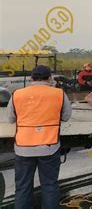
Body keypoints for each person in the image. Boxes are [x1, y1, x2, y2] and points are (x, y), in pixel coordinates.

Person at [6, 65, 72, 209]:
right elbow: (66, 117)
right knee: (49, 185)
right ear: (49, 78)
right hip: (49, 147)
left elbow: (11, 119)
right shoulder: (59, 94)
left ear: (31, 78)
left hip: (23, 148)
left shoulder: (17, 94)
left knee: (23, 186)